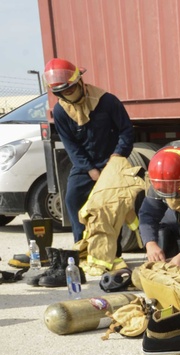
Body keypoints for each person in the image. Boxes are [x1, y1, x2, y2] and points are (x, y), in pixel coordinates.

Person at [44, 58, 134, 244]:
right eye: (62, 92)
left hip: (113, 161)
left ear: (80, 82)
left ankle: (113, 253)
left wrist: (117, 157)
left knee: (110, 208)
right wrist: (90, 169)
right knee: (72, 199)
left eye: (70, 89)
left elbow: (126, 130)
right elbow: (71, 146)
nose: (68, 94)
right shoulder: (61, 111)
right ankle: (82, 247)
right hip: (85, 165)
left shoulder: (107, 101)